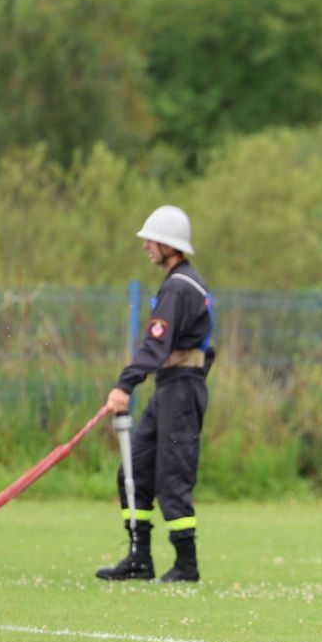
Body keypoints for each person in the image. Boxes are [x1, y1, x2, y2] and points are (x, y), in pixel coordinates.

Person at [96, 205, 213, 584]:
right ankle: (139, 558)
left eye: (151, 240)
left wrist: (124, 384)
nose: (146, 246)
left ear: (170, 246)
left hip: (181, 390)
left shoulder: (179, 287)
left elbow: (154, 346)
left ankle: (186, 565)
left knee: (172, 478)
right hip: (169, 389)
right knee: (135, 471)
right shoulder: (179, 282)